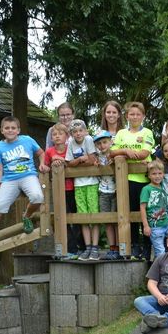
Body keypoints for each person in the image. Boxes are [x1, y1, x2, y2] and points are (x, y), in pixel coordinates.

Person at [0, 117, 45, 252]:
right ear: (2, 130)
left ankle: (26, 216)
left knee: (38, 197)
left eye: (13, 128)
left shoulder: (27, 140)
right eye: (7, 128)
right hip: (9, 180)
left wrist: (42, 164)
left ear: (18, 130)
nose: (10, 130)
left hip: (28, 175)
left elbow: (41, 153)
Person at [110, 101, 154, 259]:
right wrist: (125, 150)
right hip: (126, 180)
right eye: (132, 114)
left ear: (143, 116)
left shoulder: (147, 132)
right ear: (127, 116)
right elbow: (112, 152)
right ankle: (134, 246)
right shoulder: (121, 133)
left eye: (138, 114)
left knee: (146, 214)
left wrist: (126, 156)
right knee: (130, 214)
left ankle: (147, 247)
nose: (135, 117)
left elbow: (144, 152)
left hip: (144, 180)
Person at [40, 122, 79, 255]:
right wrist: (51, 163)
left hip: (74, 188)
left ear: (67, 136)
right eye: (54, 134)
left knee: (78, 218)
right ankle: (69, 249)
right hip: (59, 190)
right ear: (51, 138)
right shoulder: (50, 151)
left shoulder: (71, 148)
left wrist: (63, 162)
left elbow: (75, 163)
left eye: (60, 134)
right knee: (62, 218)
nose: (57, 136)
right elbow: (45, 167)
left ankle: (82, 247)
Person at [67, 119, 99, 259]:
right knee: (83, 216)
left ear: (85, 131)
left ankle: (95, 247)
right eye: (75, 131)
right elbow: (69, 163)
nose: (78, 134)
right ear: (72, 133)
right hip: (78, 184)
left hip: (91, 182)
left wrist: (78, 162)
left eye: (80, 130)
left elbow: (92, 160)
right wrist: (81, 159)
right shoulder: (70, 143)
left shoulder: (89, 140)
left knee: (94, 215)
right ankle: (87, 247)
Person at [93, 131, 122, 260]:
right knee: (107, 220)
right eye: (99, 143)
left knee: (117, 219)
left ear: (110, 141)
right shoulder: (97, 157)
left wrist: (114, 163)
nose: (102, 145)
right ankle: (112, 247)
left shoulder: (115, 155)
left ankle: (120, 246)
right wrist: (95, 166)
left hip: (116, 190)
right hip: (103, 191)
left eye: (104, 142)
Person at [140, 160, 168, 261]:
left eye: (160, 173)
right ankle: (159, 273)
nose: (157, 176)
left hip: (166, 223)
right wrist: (146, 226)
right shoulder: (146, 189)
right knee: (160, 252)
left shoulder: (163, 186)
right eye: (153, 174)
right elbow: (143, 208)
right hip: (155, 227)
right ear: (148, 175)